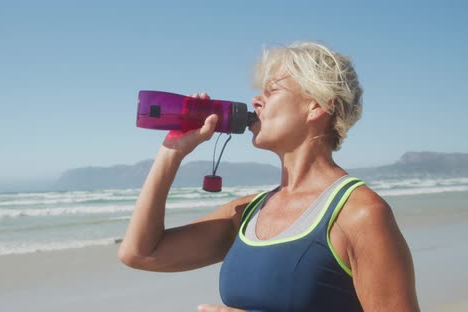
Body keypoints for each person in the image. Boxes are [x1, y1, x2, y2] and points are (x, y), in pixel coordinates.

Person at [118, 42, 420, 311]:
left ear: (317, 105)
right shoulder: (248, 212)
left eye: (271, 91)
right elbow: (140, 253)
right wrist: (172, 151)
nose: (256, 101)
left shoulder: (359, 214)